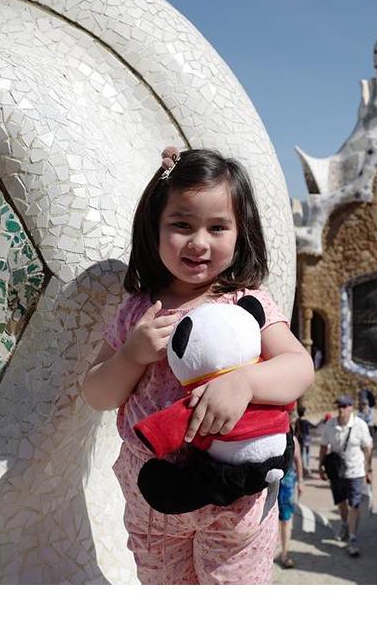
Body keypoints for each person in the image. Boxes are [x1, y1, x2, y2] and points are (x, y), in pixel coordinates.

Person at [83, 147, 315, 585]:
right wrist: (131, 355)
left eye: (217, 227)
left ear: (240, 232)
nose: (199, 242)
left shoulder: (247, 302)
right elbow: (97, 394)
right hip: (153, 502)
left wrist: (246, 382)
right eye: (181, 225)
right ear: (154, 228)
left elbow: (299, 368)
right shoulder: (138, 310)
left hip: (235, 499)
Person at [318, 394, 373, 557]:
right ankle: (344, 524)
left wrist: (369, 469)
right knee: (341, 502)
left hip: (356, 471)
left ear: (351, 407)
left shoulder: (360, 425)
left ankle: (353, 538)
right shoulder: (330, 425)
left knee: (354, 504)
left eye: (344, 406)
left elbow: (368, 448)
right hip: (337, 471)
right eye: (339, 406)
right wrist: (320, 466)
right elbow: (323, 446)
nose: (341, 409)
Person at [277, 411, 304, 569]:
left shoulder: (293, 440)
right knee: (272, 520)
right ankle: (272, 551)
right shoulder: (273, 439)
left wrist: (300, 481)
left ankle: (285, 552)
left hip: (287, 485)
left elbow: (298, 461)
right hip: (272, 486)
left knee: (286, 519)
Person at [295, 405, 316, 479]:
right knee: (307, 453)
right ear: (304, 413)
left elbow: (295, 431)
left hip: (300, 439)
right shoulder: (306, 421)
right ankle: (307, 468)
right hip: (307, 439)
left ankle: (303, 468)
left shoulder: (297, 421)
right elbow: (314, 426)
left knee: (301, 454)